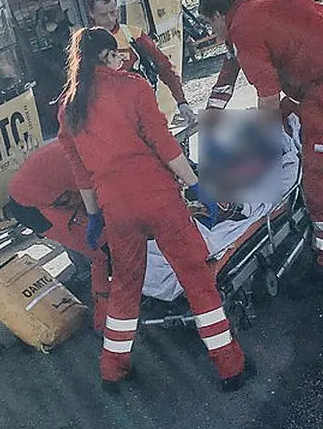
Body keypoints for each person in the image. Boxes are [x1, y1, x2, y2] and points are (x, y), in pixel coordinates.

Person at [56, 27, 246, 392]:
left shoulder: (69, 107)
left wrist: (95, 215)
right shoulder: (131, 87)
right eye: (116, 55)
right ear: (106, 56)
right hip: (157, 195)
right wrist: (195, 185)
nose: (121, 60)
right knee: (196, 277)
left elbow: (81, 169)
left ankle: (113, 369)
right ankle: (230, 366)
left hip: (116, 206)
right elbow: (164, 143)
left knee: (126, 285)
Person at [197, 0, 323, 274]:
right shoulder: (261, 11)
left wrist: (266, 143)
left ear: (218, 15)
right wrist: (209, 119)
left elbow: (268, 95)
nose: (212, 34)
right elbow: (228, 76)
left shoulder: (243, 28)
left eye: (209, 24)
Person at [5, 140, 110, 332]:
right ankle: (103, 322)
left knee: (100, 233)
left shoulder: (99, 147)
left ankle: (86, 271)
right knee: (100, 253)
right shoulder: (91, 161)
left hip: (55, 187)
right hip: (29, 206)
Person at [85, 0, 196, 126]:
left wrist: (181, 102)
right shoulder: (86, 42)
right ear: (91, 14)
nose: (110, 19)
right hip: (108, 116)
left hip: (140, 109)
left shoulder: (133, 35)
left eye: (113, 12)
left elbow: (164, 66)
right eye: (103, 15)